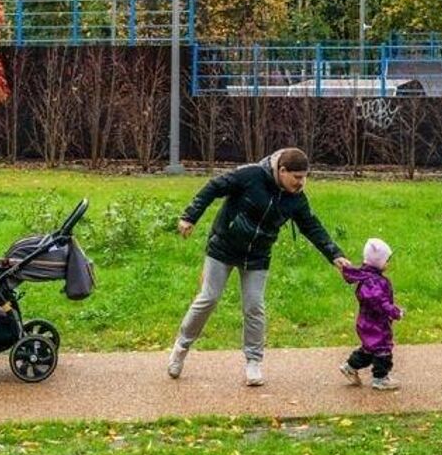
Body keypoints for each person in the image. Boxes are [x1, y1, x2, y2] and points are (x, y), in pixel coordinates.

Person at [169, 147, 349, 386]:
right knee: (208, 298)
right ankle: (181, 348)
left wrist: (335, 255)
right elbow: (213, 187)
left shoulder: (296, 199)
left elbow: (312, 227)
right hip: (223, 247)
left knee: (254, 307)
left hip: (257, 256)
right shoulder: (251, 175)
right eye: (296, 177)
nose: (301, 182)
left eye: (305, 177)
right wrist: (190, 216)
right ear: (282, 170)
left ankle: (253, 362)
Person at [339, 237, 404, 391]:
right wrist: (395, 312)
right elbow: (381, 302)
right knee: (383, 349)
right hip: (376, 323)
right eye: (387, 260)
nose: (388, 263)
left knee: (369, 348)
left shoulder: (367, 277)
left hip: (366, 321)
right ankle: (380, 378)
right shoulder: (374, 282)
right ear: (378, 261)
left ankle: (350, 366)